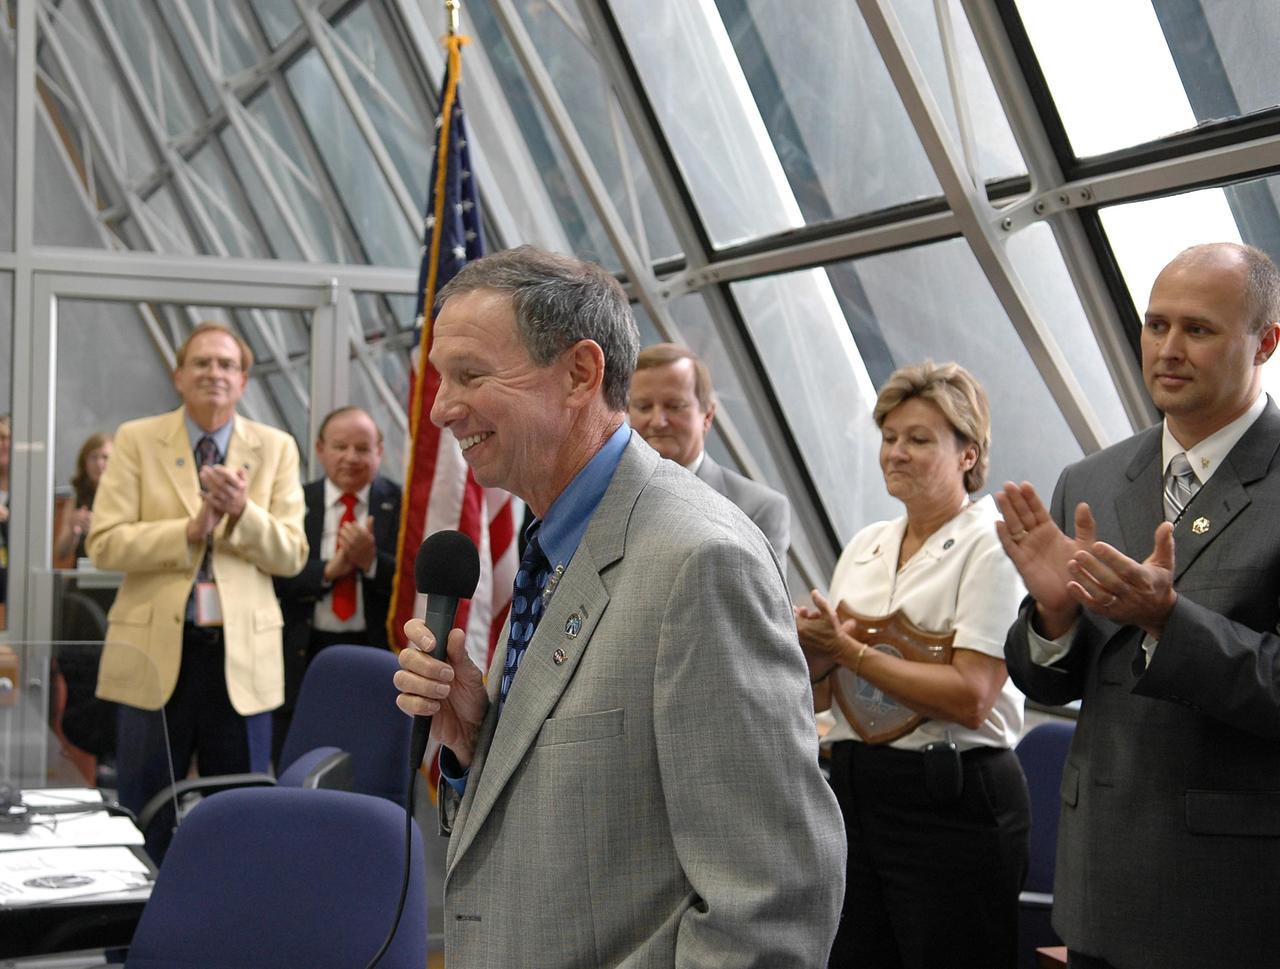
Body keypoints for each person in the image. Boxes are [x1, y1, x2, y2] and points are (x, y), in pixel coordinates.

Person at [393, 246, 844, 968]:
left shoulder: (700, 561)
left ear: (579, 373)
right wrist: (480, 741)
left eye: (470, 375)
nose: (441, 407)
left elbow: (774, 901)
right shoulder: (553, 540)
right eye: (442, 378)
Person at [997, 242, 1280, 969]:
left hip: (1237, 899)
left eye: (1199, 329)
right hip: (1098, 886)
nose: (1169, 349)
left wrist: (1167, 621)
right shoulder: (1089, 479)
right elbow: (1052, 679)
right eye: (1156, 325)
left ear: (1267, 341)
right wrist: (1053, 619)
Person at [797, 360, 1029, 969]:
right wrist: (814, 652)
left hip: (951, 803)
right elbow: (829, 697)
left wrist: (849, 650)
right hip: (855, 790)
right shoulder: (866, 544)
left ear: (969, 455)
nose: (895, 453)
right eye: (890, 438)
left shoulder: (994, 544)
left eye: (919, 440)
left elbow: (972, 695)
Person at [87, 322, 307, 838]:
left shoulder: (276, 448)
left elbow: (293, 554)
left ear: (244, 380)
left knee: (242, 813)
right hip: (153, 654)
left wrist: (241, 513)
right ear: (178, 376)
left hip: (240, 661)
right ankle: (136, 916)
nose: (214, 374)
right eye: (202, 363)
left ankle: (232, 916)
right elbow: (103, 544)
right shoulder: (137, 440)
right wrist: (187, 531)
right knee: (143, 811)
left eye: (226, 365)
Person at [273, 406, 400, 759]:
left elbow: (415, 582)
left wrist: (370, 562)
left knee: (372, 761)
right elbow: (274, 576)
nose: (350, 457)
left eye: (362, 448)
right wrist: (331, 570)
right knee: (299, 763)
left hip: (376, 653)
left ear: (380, 452)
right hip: (304, 653)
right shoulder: (294, 503)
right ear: (320, 449)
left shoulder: (402, 506)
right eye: (340, 447)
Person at [628, 342, 791, 559]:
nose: (658, 421)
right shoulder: (607, 498)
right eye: (644, 407)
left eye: (674, 406)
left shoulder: (758, 510)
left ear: (708, 415)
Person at [53, 432, 113, 568]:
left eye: (105, 457)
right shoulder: (77, 499)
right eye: (93, 457)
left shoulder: (126, 497)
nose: (99, 463)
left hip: (114, 576)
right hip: (83, 577)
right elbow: (60, 553)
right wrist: (73, 529)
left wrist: (98, 526)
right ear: (84, 462)